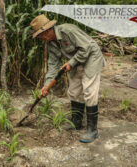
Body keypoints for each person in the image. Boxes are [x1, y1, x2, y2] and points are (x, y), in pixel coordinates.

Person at [30, 14, 106, 143]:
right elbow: (53, 65)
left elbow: (86, 47)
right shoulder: (50, 44)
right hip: (75, 62)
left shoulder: (68, 30)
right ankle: (76, 123)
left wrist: (71, 62)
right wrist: (47, 85)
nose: (41, 38)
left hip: (91, 58)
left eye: (41, 35)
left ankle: (93, 130)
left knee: (89, 91)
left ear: (47, 31)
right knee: (74, 91)